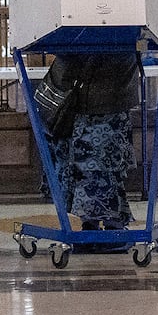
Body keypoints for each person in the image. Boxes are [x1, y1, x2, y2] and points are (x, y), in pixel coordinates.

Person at [40, 52, 139, 252]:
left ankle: (99, 227)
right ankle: (106, 227)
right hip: (104, 98)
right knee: (102, 168)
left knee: (92, 168)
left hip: (88, 99)